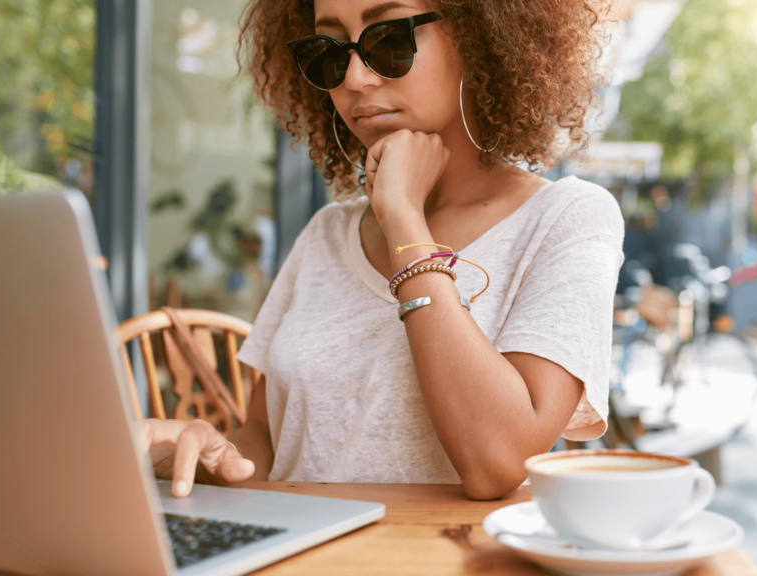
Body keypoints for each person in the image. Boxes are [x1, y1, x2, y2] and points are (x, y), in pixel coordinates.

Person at [141, 0, 624, 501]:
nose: (354, 77)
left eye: (389, 39)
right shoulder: (328, 232)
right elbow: (265, 435)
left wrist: (404, 222)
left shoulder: (566, 218)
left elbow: (497, 462)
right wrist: (206, 458)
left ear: (478, 38)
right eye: (328, 52)